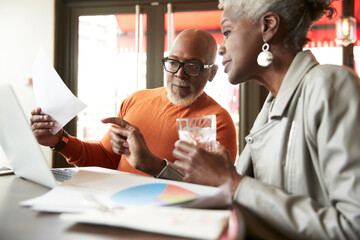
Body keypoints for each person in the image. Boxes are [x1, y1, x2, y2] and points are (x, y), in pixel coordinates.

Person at [171, 1, 360, 239]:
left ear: (268, 26)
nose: (221, 48)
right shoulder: (269, 108)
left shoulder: (329, 85)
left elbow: (353, 226)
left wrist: (232, 182)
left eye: (227, 32)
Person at [30, 28, 237, 178]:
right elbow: (105, 159)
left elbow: (212, 189)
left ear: (211, 73)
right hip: (119, 211)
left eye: (192, 66)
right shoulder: (136, 100)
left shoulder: (218, 121)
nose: (179, 74)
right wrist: (59, 141)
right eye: (173, 62)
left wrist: (150, 163)